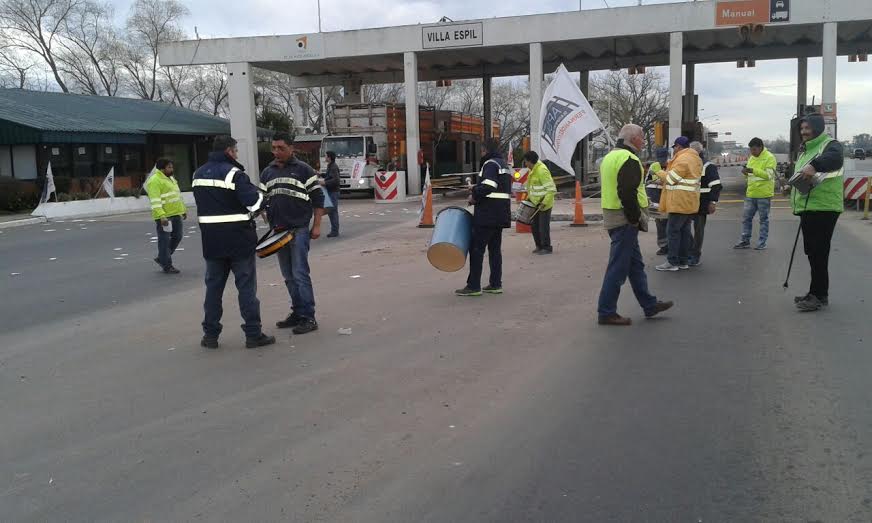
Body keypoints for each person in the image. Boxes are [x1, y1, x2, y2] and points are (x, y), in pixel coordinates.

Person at [192, 135, 275, 349]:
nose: (237, 154)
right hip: (239, 240)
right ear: (229, 151)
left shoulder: (198, 174)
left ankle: (210, 336)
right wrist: (263, 201)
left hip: (211, 241)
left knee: (213, 289)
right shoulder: (234, 174)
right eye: (236, 151)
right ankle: (253, 334)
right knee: (246, 289)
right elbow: (254, 202)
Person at [597, 124, 673, 326]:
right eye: (641, 137)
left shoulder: (610, 157)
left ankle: (649, 304)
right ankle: (606, 311)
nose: (643, 140)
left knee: (635, 265)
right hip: (624, 220)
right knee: (618, 268)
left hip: (613, 216)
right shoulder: (629, 159)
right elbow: (627, 193)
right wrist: (633, 218)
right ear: (632, 139)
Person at [260, 132, 325, 334]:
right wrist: (265, 215)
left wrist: (317, 226)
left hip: (298, 230)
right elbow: (262, 198)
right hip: (278, 232)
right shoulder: (267, 172)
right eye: (274, 148)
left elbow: (318, 199)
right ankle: (297, 312)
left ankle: (308, 317)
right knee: (288, 276)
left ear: (291, 148)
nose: (277, 152)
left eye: (281, 148)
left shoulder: (303, 170)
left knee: (299, 274)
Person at [791, 113, 844, 312]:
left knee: (819, 252)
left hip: (823, 207)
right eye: (802, 128)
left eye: (808, 128)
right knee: (813, 252)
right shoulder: (805, 149)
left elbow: (835, 159)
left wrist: (814, 165)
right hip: (809, 206)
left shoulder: (830, 145)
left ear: (818, 128)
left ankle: (819, 295)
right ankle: (816, 293)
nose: (804, 132)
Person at [455, 138, 512, 296]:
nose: (480, 153)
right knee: (495, 250)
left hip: (487, 214)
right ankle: (495, 284)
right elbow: (497, 186)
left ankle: (473, 286)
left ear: (485, 150)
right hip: (500, 214)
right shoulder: (503, 164)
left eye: (481, 150)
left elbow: (489, 186)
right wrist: (476, 187)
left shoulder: (490, 164)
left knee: (477, 249)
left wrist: (474, 196)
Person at [655, 136, 702, 272]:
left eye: (674, 147)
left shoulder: (683, 159)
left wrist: (658, 172)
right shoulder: (695, 158)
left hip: (679, 202)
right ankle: (683, 261)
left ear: (679, 147)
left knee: (673, 232)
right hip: (689, 201)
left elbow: (671, 179)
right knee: (684, 232)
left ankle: (672, 262)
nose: (674, 150)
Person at [144, 158, 186, 274]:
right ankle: (167, 265)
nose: (172, 169)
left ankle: (162, 258)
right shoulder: (155, 181)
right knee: (164, 241)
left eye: (172, 167)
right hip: (165, 217)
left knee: (177, 236)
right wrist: (162, 216)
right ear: (162, 169)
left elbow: (176, 195)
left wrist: (183, 210)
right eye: (169, 167)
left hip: (176, 214)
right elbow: (155, 201)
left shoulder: (171, 178)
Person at [734, 137, 776, 250]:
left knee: (763, 220)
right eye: (751, 150)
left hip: (763, 195)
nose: (752, 152)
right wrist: (746, 173)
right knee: (746, 219)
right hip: (751, 194)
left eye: (754, 150)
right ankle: (745, 240)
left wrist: (753, 170)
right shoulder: (752, 158)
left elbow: (769, 175)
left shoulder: (770, 158)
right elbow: (751, 175)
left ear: (761, 148)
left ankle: (762, 243)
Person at [688, 141, 722, 266]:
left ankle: (695, 255)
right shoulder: (688, 164)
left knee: (698, 231)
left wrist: (712, 202)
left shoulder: (708, 166)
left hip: (702, 203)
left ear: (699, 152)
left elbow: (716, 186)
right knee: (684, 228)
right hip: (687, 202)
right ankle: (689, 251)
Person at [523, 151, 557, 254]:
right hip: (535, 203)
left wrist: (544, 203)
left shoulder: (542, 170)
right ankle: (539, 245)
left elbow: (551, 189)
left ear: (529, 161)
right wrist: (528, 199)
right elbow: (531, 187)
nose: (525, 164)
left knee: (543, 227)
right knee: (534, 226)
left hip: (544, 204)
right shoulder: (532, 170)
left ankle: (546, 247)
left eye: (525, 161)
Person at [645, 147, 670, 256]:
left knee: (670, 221)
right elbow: (646, 181)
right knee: (659, 222)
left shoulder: (672, 165)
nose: (662, 161)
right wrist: (654, 182)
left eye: (663, 158)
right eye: (660, 158)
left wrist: (663, 182)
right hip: (655, 195)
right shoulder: (654, 166)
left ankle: (672, 245)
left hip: (668, 196)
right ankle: (663, 246)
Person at [322, 150, 341, 238]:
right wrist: (320, 174)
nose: (325, 157)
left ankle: (335, 231)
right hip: (330, 191)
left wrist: (324, 183)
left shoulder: (333, 167)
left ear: (329, 157)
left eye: (326, 156)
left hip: (333, 191)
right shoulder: (330, 166)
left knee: (332, 211)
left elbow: (336, 180)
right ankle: (334, 230)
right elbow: (329, 176)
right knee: (331, 211)